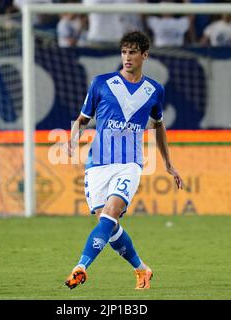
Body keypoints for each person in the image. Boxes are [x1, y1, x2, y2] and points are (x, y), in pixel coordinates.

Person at [64, 31, 184, 290]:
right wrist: (72, 139)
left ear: (144, 55)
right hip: (97, 164)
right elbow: (83, 119)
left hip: (129, 164)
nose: (127, 57)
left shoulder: (154, 90)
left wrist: (168, 163)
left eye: (132, 52)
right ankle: (142, 269)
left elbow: (159, 126)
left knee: (110, 215)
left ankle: (81, 267)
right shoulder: (100, 83)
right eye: (124, 52)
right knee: (108, 225)